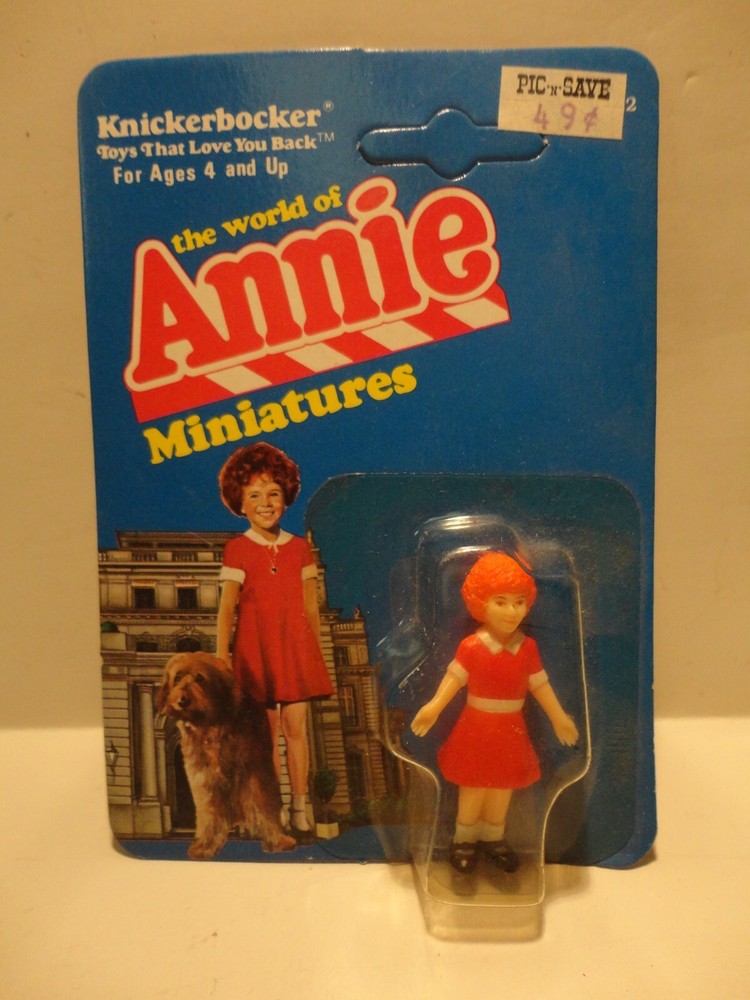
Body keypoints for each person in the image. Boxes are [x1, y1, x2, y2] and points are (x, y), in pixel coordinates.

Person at [410, 551, 578, 874]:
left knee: (502, 788)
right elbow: (454, 679)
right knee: (473, 786)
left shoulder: (527, 648)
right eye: (501, 602)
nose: (512, 611)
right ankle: (464, 839)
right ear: (480, 604)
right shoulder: (472, 647)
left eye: (519, 602)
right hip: (476, 726)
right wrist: (433, 707)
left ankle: (493, 837)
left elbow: (540, 686)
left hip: (510, 728)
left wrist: (559, 718)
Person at [216, 442, 333, 843]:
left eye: (273, 493)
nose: (265, 503)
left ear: (286, 496)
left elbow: (311, 608)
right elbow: (227, 609)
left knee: (296, 728)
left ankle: (301, 808)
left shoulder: (300, 548)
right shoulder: (236, 548)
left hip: (295, 649)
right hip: (255, 653)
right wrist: (221, 656)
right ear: (240, 502)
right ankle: (272, 808)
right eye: (254, 495)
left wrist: (314, 652)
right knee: (266, 735)